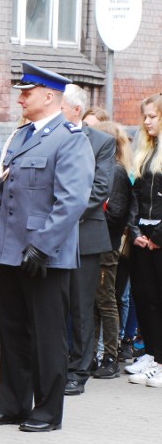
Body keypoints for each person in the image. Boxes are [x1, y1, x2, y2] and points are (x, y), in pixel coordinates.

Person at [0, 62, 93, 432]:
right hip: (11, 252)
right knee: (13, 333)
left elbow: (73, 200)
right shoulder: (21, 137)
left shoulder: (70, 138)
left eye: (27, 92)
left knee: (46, 337)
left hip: (46, 257)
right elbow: (0, 190)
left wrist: (42, 246)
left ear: (48, 96)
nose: (21, 98)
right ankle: (12, 405)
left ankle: (46, 411)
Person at [61, 84, 115, 396]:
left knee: (81, 307)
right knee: (56, 303)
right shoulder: (50, 136)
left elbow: (100, 189)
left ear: (76, 110)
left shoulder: (102, 142)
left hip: (84, 234)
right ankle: (57, 362)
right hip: (52, 236)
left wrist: (64, 215)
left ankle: (79, 370)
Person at [125, 94, 162, 387]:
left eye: (153, 116)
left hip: (160, 238)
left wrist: (157, 237)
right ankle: (152, 353)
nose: (147, 121)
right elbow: (135, 196)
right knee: (145, 298)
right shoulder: (145, 150)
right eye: (145, 116)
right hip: (143, 238)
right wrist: (136, 232)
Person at [91, 120, 133, 379]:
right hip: (99, 243)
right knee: (96, 301)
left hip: (105, 245)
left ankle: (110, 355)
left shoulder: (115, 172)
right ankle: (95, 354)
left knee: (106, 301)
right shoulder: (106, 169)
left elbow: (116, 213)